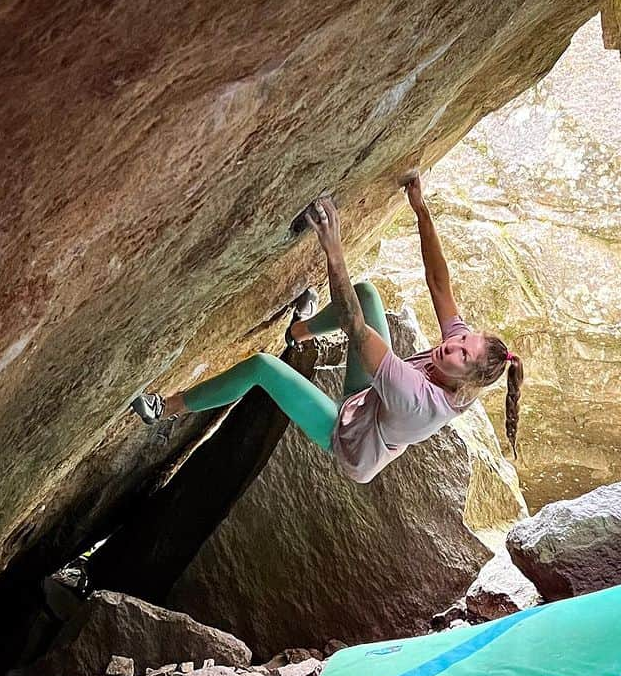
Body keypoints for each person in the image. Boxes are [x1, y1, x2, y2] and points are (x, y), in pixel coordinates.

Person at [131, 174, 523, 482]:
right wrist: (421, 210)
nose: (451, 345)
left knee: (262, 368)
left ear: (466, 382)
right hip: (371, 398)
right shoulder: (464, 356)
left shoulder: (417, 399)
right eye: (461, 340)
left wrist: (333, 249)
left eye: (461, 354)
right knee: (368, 294)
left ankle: (164, 409)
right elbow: (439, 282)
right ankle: (299, 331)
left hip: (350, 439)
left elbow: (355, 327)